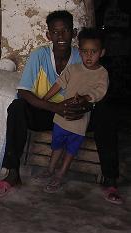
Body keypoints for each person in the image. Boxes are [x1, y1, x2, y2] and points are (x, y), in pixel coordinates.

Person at [0, 10, 122, 204]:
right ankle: (13, 173)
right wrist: (55, 108)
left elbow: (97, 91)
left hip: (76, 115)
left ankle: (110, 179)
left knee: (107, 113)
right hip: (47, 112)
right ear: (48, 35)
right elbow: (24, 92)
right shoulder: (39, 55)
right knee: (17, 107)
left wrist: (85, 106)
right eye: (55, 32)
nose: (60, 36)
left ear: (74, 33)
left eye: (66, 31)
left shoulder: (83, 56)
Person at [34, 27, 108, 193]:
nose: (88, 56)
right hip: (61, 117)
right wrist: (44, 99)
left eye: (93, 52)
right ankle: (50, 169)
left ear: (102, 53)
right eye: (84, 52)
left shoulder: (102, 74)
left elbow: (100, 92)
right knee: (57, 145)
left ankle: (60, 175)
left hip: (79, 121)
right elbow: (59, 84)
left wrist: (85, 98)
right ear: (79, 51)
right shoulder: (73, 68)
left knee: (70, 150)